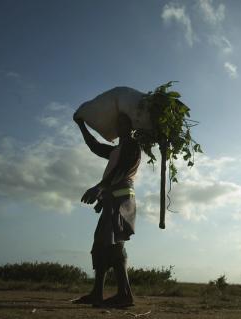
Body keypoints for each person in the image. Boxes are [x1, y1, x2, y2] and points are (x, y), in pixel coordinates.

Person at [72, 112, 141, 308]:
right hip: (113, 197)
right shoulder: (117, 149)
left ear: (131, 127)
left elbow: (121, 170)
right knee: (102, 243)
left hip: (122, 198)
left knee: (114, 242)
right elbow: (94, 146)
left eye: (123, 122)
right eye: (117, 122)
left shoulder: (132, 146)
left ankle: (124, 295)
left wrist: (99, 188)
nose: (119, 126)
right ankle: (97, 293)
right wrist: (81, 125)